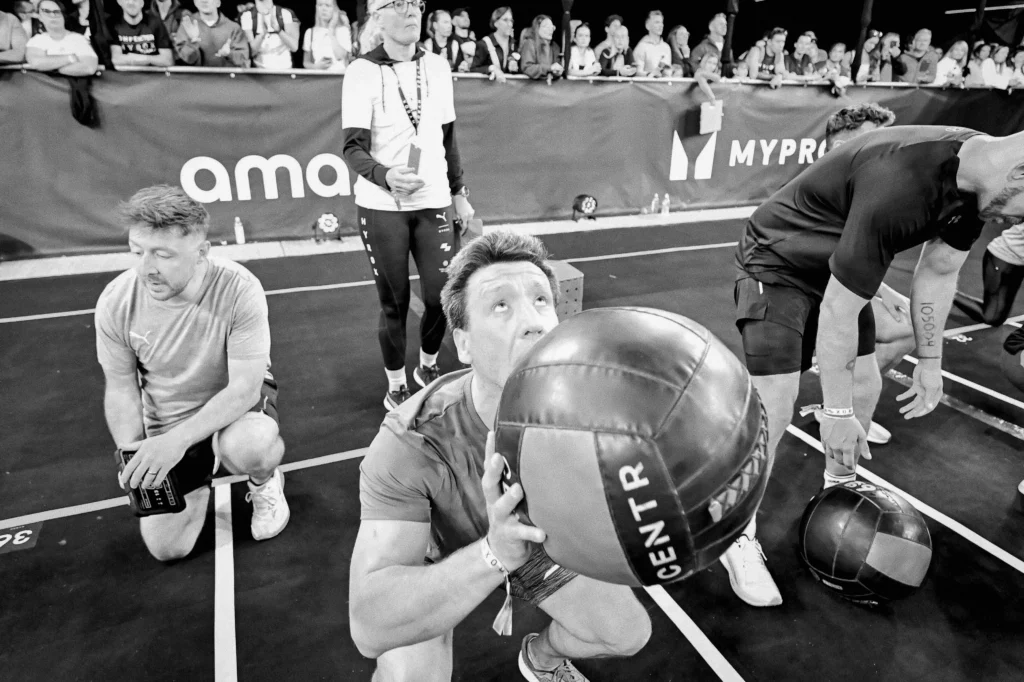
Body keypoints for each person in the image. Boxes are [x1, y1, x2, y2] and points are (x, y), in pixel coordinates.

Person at [732, 123, 1024, 605]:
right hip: (777, 260)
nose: (1015, 225)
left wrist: (930, 360)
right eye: (1023, 211)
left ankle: (837, 492)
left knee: (866, 384)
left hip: (835, 264)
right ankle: (738, 534)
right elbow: (838, 312)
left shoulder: (976, 188)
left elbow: (940, 269)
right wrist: (837, 414)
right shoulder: (903, 184)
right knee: (775, 405)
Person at [349, 230, 652, 682]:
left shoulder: (594, 408)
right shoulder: (411, 443)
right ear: (465, 343)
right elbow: (369, 626)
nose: (533, 321)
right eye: (501, 306)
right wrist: (494, 551)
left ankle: (541, 659)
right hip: (438, 554)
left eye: (541, 300)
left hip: (530, 536)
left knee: (626, 635)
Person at [95, 185, 290, 561]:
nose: (146, 267)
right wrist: (133, 453)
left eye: (163, 255)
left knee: (253, 444)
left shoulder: (240, 289)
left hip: (235, 411)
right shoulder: (116, 301)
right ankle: (201, 467)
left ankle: (265, 481)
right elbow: (120, 390)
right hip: (168, 420)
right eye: (138, 252)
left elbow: (246, 389)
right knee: (168, 549)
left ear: (201, 253)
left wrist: (175, 443)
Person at [341, 0, 475, 410]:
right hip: (383, 207)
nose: (411, 11)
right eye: (397, 4)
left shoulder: (437, 66)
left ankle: (428, 364)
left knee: (441, 296)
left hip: (433, 201)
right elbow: (352, 148)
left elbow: (447, 138)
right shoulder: (362, 71)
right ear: (378, 17)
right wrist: (385, 176)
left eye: (415, 3)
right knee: (395, 303)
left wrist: (459, 194)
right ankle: (397, 382)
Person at [24, 0, 98, 75]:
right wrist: (71, 58)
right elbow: (36, 62)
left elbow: (89, 68)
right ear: (39, 16)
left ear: (63, 16)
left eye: (57, 12)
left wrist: (52, 68)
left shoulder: (78, 39)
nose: (52, 15)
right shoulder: (36, 40)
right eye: (46, 11)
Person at [302, 0, 350, 72]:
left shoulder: (343, 30)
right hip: (319, 78)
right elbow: (306, 62)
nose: (323, 9)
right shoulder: (310, 32)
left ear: (334, 9)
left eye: (328, 5)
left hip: (339, 78)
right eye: (320, 5)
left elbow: (341, 56)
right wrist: (316, 66)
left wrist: (331, 32)